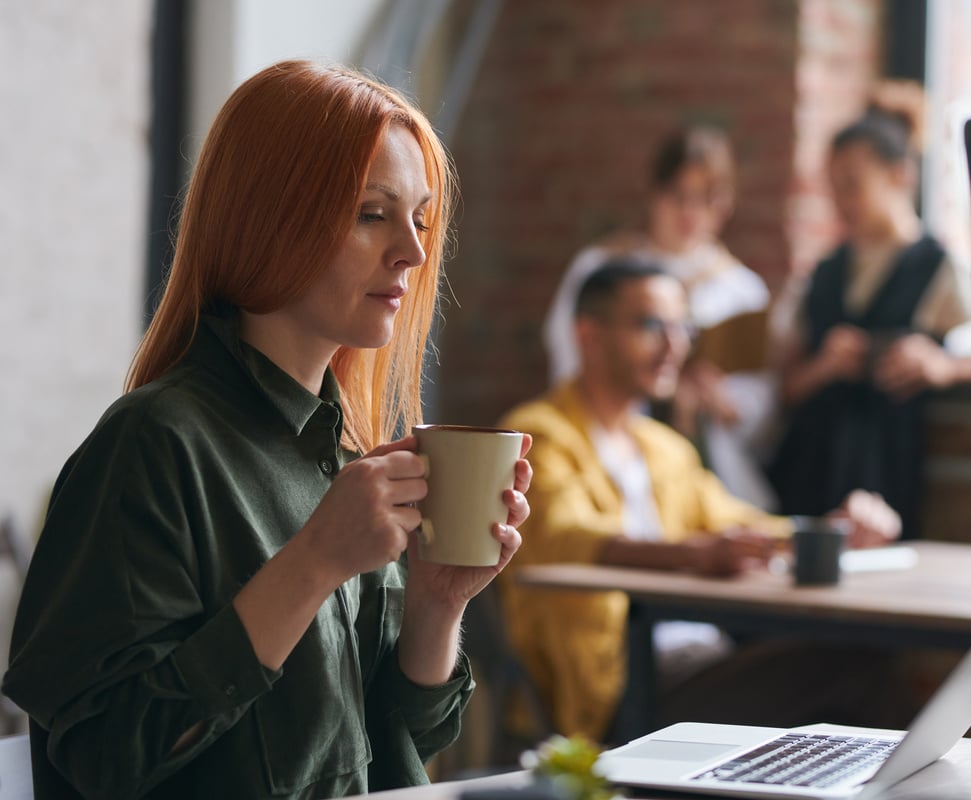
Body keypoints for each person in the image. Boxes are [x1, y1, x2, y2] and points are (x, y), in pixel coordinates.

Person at [2, 60, 532, 800]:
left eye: (420, 217)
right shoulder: (154, 445)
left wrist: (439, 604)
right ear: (271, 216)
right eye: (372, 213)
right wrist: (311, 564)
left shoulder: (345, 455)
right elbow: (102, 758)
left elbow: (398, 736)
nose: (412, 252)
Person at [500, 259, 901, 742]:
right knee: (852, 664)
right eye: (651, 325)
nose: (675, 346)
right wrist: (692, 555)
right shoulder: (539, 434)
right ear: (589, 335)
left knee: (858, 656)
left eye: (682, 327)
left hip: (699, 663)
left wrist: (834, 528)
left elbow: (740, 525)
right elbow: (565, 536)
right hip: (616, 686)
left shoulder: (663, 447)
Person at [766, 81, 971, 538]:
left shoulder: (941, 269)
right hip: (809, 468)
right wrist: (826, 365)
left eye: (852, 185)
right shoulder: (824, 272)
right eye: (833, 187)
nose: (841, 202)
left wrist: (941, 367)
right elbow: (786, 389)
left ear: (900, 176)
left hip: (888, 468)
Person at [541, 125, 779, 509]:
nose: (690, 212)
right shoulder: (603, 269)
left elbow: (762, 405)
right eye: (678, 196)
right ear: (654, 193)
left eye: (706, 199)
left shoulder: (740, 289)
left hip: (709, 463)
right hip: (611, 450)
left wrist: (721, 400)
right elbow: (569, 362)